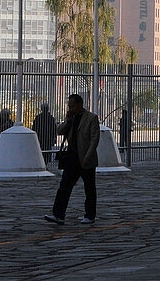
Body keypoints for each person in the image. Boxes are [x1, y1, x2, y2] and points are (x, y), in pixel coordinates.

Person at [45, 93, 100, 226]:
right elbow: (60, 131)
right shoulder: (71, 118)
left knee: (89, 188)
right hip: (72, 157)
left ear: (80, 105)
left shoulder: (91, 118)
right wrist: (68, 121)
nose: (70, 108)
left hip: (85, 158)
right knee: (64, 187)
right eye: (69, 106)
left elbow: (94, 138)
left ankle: (90, 215)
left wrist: (88, 155)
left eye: (72, 106)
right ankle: (58, 214)